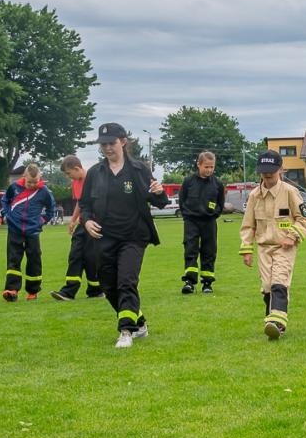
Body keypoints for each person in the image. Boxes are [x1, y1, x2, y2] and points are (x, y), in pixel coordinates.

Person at [78, 122, 169, 348]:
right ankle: (139, 322)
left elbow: (159, 201)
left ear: (123, 142)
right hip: (104, 237)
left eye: (112, 143)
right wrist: (86, 221)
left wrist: (160, 193)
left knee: (127, 281)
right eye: (103, 144)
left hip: (134, 236)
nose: (108, 148)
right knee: (108, 286)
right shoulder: (95, 173)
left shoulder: (139, 170)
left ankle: (126, 331)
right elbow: (85, 204)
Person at [239, 149, 306, 340]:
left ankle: (277, 323)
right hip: (264, 247)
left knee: (279, 281)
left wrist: (292, 237)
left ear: (281, 169)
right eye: (264, 170)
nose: (268, 174)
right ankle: (272, 321)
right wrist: (246, 249)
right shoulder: (254, 196)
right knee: (267, 286)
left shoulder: (290, 192)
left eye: (272, 169)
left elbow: (304, 221)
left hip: (284, 247)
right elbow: (248, 225)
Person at [0, 163, 56, 301]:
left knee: (34, 259)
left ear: (40, 178)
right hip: (14, 229)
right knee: (13, 259)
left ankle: (33, 291)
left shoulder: (44, 192)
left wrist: (42, 220)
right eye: (29, 182)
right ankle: (12, 290)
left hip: (33, 231)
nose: (32, 185)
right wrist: (7, 214)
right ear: (24, 177)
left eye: (35, 182)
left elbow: (51, 209)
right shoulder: (14, 187)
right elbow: (5, 200)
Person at [51, 155, 102, 301]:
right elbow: (80, 203)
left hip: (95, 223)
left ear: (77, 168)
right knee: (75, 254)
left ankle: (96, 290)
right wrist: (73, 220)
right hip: (82, 223)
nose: (69, 177)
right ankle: (69, 291)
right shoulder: (75, 183)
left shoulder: (93, 180)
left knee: (91, 257)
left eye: (69, 173)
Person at [178, 150, 225, 294]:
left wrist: (213, 214)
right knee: (190, 250)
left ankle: (207, 283)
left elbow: (220, 204)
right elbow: (182, 200)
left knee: (209, 251)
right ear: (198, 165)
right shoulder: (188, 181)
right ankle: (189, 282)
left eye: (212, 167)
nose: (209, 170)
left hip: (209, 222)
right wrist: (187, 215)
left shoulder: (217, 184)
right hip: (191, 221)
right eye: (206, 167)